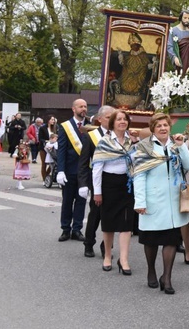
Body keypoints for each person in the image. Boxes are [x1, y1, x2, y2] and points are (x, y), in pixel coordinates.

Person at [132, 112, 189, 294]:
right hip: (153, 200)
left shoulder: (176, 146)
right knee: (150, 240)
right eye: (158, 125)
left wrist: (182, 146)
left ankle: (166, 278)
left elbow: (188, 165)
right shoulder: (144, 147)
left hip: (173, 201)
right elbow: (139, 175)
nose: (163, 128)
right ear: (153, 129)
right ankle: (151, 270)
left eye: (165, 125)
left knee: (171, 240)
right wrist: (140, 201)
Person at [92, 109, 139, 274]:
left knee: (126, 223)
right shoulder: (104, 142)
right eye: (119, 119)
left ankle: (124, 259)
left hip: (126, 184)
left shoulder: (132, 141)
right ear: (112, 123)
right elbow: (97, 168)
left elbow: (136, 162)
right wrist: (97, 192)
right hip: (109, 184)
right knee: (109, 222)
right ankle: (108, 255)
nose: (122, 122)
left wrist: (135, 144)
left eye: (125, 119)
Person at [78, 106, 114, 258]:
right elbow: (84, 162)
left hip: (114, 180)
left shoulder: (118, 135)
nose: (111, 120)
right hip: (97, 180)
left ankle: (106, 246)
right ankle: (89, 242)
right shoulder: (90, 136)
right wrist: (83, 184)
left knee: (111, 215)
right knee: (96, 213)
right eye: (108, 117)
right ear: (99, 119)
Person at [57, 99, 90, 242]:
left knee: (81, 201)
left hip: (85, 171)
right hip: (69, 170)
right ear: (73, 109)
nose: (83, 109)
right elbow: (62, 150)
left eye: (85, 106)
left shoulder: (91, 126)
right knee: (67, 201)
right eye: (80, 106)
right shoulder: (65, 126)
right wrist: (60, 170)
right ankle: (65, 229)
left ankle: (77, 229)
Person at [118, 32, 152, 106]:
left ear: (138, 46)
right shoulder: (129, 55)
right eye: (132, 46)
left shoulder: (143, 55)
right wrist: (120, 55)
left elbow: (146, 65)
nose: (133, 47)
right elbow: (123, 63)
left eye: (135, 45)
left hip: (139, 77)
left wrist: (152, 65)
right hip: (128, 76)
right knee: (123, 82)